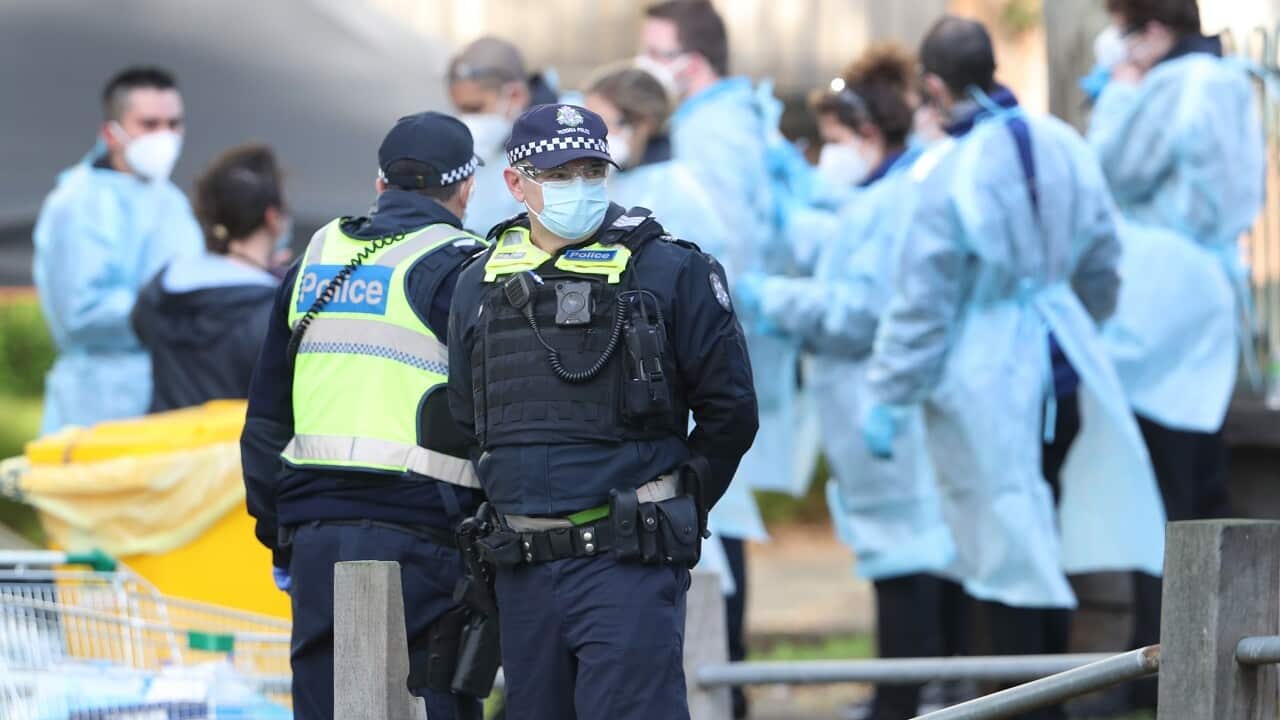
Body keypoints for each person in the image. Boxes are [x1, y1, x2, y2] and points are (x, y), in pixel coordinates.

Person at [862, 17, 1164, 720]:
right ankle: (1048, 696)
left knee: (1003, 547)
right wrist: (1078, 319)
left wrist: (891, 392)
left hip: (987, 373)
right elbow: (1103, 257)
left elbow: (923, 302)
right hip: (1063, 361)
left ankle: (1023, 705)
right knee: (1040, 533)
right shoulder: (1063, 143)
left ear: (933, 85)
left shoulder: (947, 173)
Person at [446, 103, 758, 720]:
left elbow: (731, 410)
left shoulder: (670, 269)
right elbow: (467, 415)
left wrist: (681, 502)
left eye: (592, 171)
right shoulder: (478, 281)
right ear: (515, 182)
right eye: (559, 175)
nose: (579, 188)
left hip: (627, 564)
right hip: (524, 568)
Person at [738, 44, 965, 720]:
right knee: (901, 550)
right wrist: (792, 203)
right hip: (865, 393)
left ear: (866, 133)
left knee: (907, 555)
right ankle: (912, 694)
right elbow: (840, 245)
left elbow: (859, 308)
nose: (825, 156)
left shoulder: (897, 199)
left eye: (831, 141)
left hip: (878, 392)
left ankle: (905, 701)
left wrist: (771, 298)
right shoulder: (880, 194)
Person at [240, 112, 489, 720]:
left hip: (316, 534)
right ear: (465, 191)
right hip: (426, 536)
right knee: (430, 701)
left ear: (380, 185)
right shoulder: (466, 269)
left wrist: (277, 534)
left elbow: (267, 419)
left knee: (328, 704)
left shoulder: (315, 257)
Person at [1086, 0, 1264, 708]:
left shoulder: (1169, 85)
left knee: (1159, 490)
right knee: (1193, 476)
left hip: (1160, 303)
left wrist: (1121, 88)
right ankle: (1199, 652)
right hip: (1199, 299)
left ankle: (1165, 660)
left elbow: (1109, 167)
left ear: (1150, 30)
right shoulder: (1223, 80)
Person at [640, 8, 809, 713]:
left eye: (655, 53)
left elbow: (719, 245)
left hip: (704, 337)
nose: (646, 65)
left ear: (693, 60)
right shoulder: (728, 124)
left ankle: (721, 686)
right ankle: (719, 683)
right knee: (718, 514)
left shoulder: (710, 134)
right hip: (716, 333)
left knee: (716, 512)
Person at [32, 66, 202, 434]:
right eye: (150, 124)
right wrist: (172, 310)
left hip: (170, 399)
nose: (165, 136)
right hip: (96, 403)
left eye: (174, 123)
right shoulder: (77, 203)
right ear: (111, 133)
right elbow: (82, 314)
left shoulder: (172, 202)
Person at [132, 144, 289, 412]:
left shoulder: (157, 292)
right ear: (273, 218)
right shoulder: (276, 311)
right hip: (237, 452)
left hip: (163, 450)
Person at [448, 36, 560, 233]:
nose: (467, 120)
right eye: (460, 109)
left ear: (515, 96)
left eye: (475, 108)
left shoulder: (567, 140)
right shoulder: (480, 150)